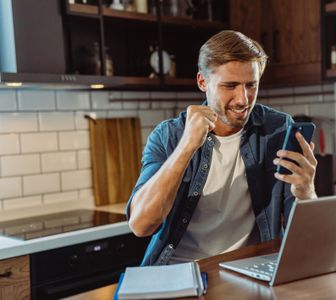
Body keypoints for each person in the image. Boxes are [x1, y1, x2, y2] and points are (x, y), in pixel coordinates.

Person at [127, 30, 317, 266]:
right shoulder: (169, 136)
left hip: (246, 270)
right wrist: (186, 146)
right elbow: (141, 225)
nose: (243, 99)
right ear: (202, 82)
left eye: (251, 85)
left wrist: (307, 192)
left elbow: (303, 239)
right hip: (179, 272)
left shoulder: (277, 130)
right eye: (230, 86)